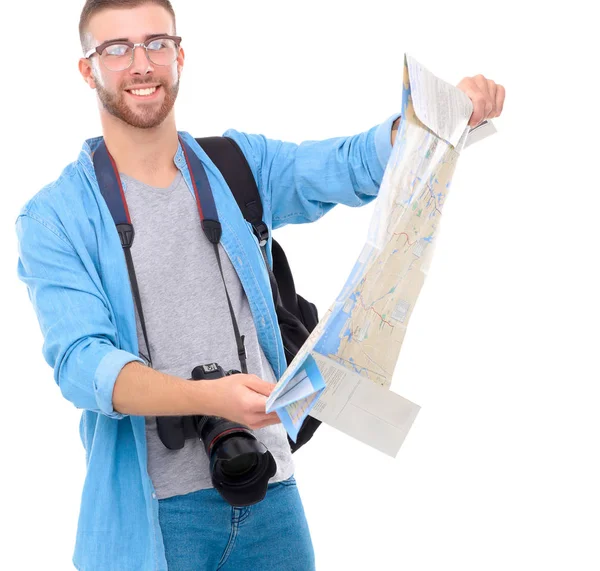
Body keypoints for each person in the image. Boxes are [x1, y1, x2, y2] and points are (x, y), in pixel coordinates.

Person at [14, 1, 505, 569]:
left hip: (270, 491)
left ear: (180, 54)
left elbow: (349, 164)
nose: (141, 64)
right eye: (116, 49)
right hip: (152, 513)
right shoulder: (54, 217)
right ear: (88, 69)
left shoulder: (235, 164)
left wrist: (436, 120)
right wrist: (204, 397)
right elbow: (82, 364)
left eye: (156, 43)